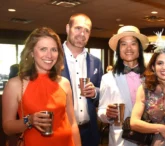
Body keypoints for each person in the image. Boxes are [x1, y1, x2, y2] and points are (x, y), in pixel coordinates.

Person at [2, 27, 81, 146]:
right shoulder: (15, 84)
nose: (49, 55)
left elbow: (72, 123)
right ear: (32, 52)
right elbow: (7, 127)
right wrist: (29, 120)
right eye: (43, 49)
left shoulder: (64, 83)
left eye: (54, 49)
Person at [97, 25, 149, 146]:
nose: (128, 48)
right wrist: (107, 114)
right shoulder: (108, 78)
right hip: (120, 141)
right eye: (123, 44)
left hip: (149, 139)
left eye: (133, 43)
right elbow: (101, 111)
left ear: (140, 48)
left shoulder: (151, 77)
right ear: (118, 50)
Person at [61, 13, 103, 146]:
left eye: (86, 30)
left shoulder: (95, 62)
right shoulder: (53, 58)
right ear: (68, 29)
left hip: (89, 131)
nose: (82, 34)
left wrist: (95, 92)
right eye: (78, 28)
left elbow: (103, 92)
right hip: (61, 130)